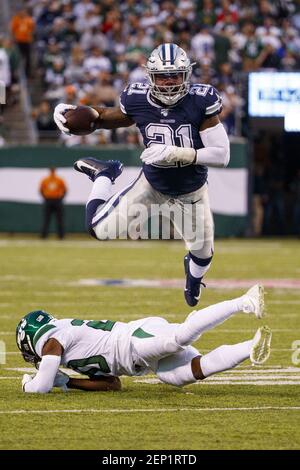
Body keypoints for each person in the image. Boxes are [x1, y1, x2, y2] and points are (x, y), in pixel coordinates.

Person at [54, 43, 230, 307]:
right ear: (150, 76)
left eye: (175, 75)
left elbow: (222, 154)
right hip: (151, 185)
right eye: (162, 76)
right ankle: (104, 174)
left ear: (187, 75)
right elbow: (104, 117)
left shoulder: (200, 101)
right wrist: (75, 112)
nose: (169, 83)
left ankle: (193, 280)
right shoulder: (137, 99)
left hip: (191, 191)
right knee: (98, 230)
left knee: (202, 254)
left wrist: (178, 153)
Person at [17, 284, 272, 393]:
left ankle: (244, 301)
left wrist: (28, 384)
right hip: (140, 361)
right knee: (186, 374)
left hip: (134, 340)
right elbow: (113, 384)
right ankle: (251, 346)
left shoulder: (52, 341)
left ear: (31, 338)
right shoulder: (59, 343)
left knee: (178, 338)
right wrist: (69, 382)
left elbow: (40, 387)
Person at [40, 168, 67, 239]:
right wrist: (45, 198)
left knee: (59, 220)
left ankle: (61, 236)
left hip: (57, 200)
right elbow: (41, 190)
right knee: (46, 219)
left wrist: (60, 198)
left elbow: (64, 190)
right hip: (48, 200)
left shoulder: (59, 180)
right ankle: (44, 236)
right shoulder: (45, 180)